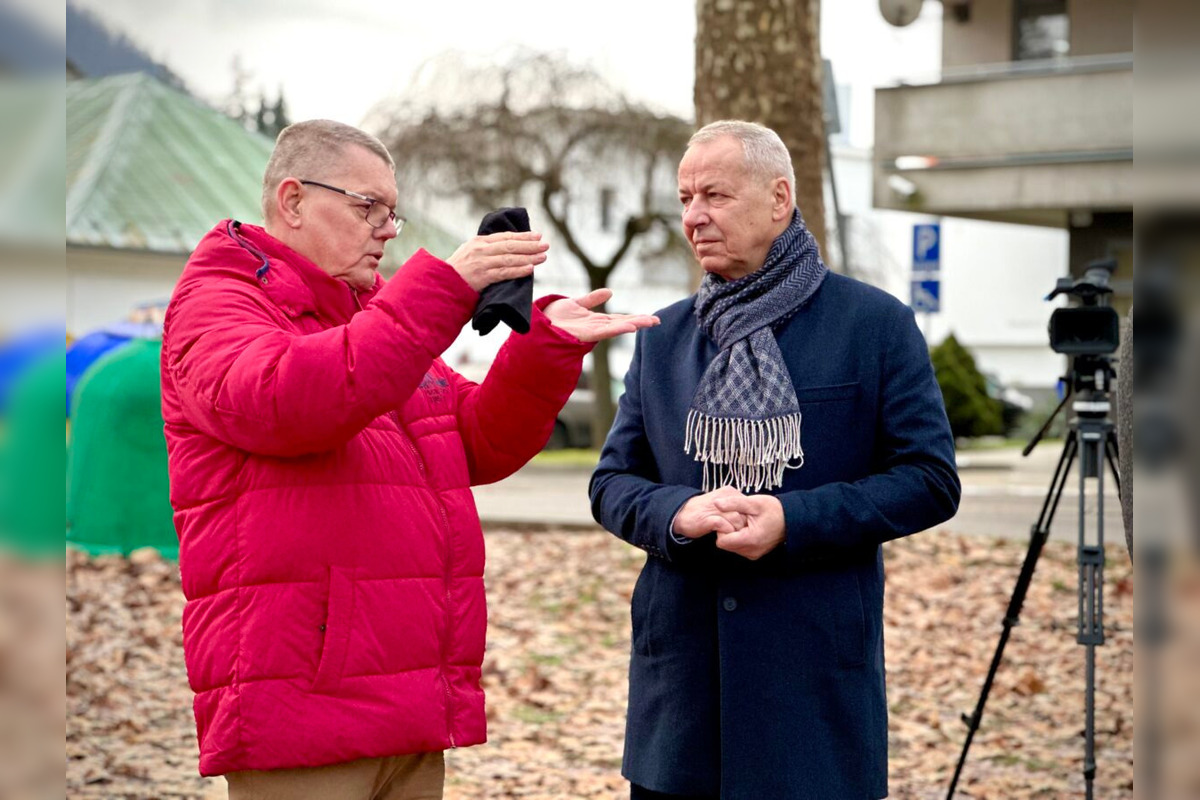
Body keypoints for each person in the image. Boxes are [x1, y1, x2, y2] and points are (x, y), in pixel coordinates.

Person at [160, 119, 658, 800]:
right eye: (368, 207)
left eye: (392, 211)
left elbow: (476, 441)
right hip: (305, 716)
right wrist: (441, 290)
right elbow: (291, 399)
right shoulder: (220, 302)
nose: (389, 229)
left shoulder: (371, 324)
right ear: (293, 200)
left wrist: (544, 349)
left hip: (406, 707)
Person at [589, 120, 961, 800]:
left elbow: (930, 480)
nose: (693, 216)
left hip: (812, 694)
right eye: (684, 198)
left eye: (715, 196)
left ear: (779, 198)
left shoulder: (873, 325)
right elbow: (612, 482)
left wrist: (793, 519)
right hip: (681, 701)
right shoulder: (662, 336)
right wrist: (679, 512)